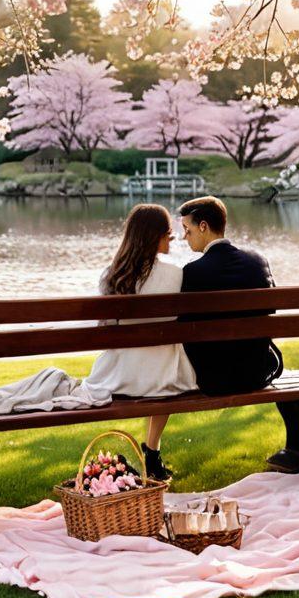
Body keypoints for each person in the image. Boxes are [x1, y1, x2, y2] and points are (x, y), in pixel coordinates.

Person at [87, 203, 196, 481]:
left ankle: (151, 453)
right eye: (168, 235)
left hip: (121, 376)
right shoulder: (177, 274)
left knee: (146, 361)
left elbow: (107, 330)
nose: (171, 240)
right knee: (161, 364)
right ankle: (152, 450)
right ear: (155, 236)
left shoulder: (113, 275)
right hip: (166, 377)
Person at [179, 195, 283, 395]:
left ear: (203, 226)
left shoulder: (193, 272)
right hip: (258, 373)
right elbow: (271, 309)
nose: (184, 236)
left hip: (214, 380)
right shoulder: (258, 260)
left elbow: (186, 328)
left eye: (186, 229)